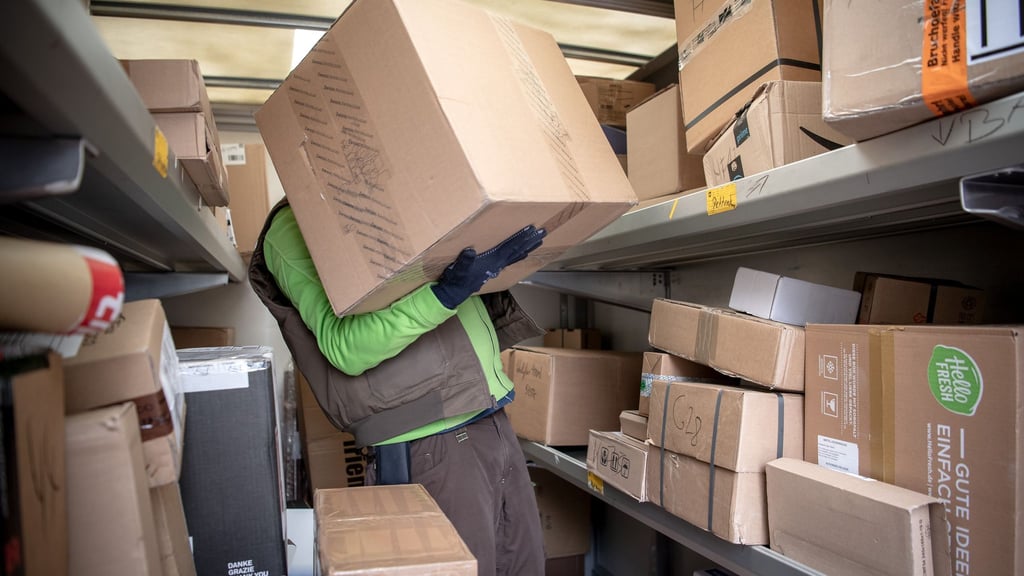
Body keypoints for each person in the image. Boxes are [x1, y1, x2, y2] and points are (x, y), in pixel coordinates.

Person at [248, 199, 548, 576]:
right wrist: (445, 294)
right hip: (428, 439)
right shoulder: (294, 226)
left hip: (491, 417)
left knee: (526, 567)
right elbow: (347, 348)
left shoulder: (405, 193)